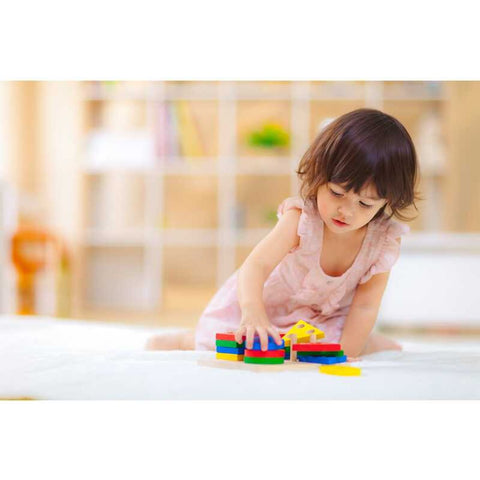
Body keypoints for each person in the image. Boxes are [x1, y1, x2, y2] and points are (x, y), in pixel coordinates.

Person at [146, 108, 421, 359]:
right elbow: (256, 265)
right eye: (336, 193)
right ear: (318, 175)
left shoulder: (382, 243)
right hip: (268, 309)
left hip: (321, 322)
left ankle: (371, 341)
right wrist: (253, 313)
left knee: (340, 343)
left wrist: (345, 354)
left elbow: (364, 308)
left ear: (388, 202)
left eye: (365, 204)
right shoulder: (301, 221)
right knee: (223, 343)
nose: (345, 211)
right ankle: (185, 339)